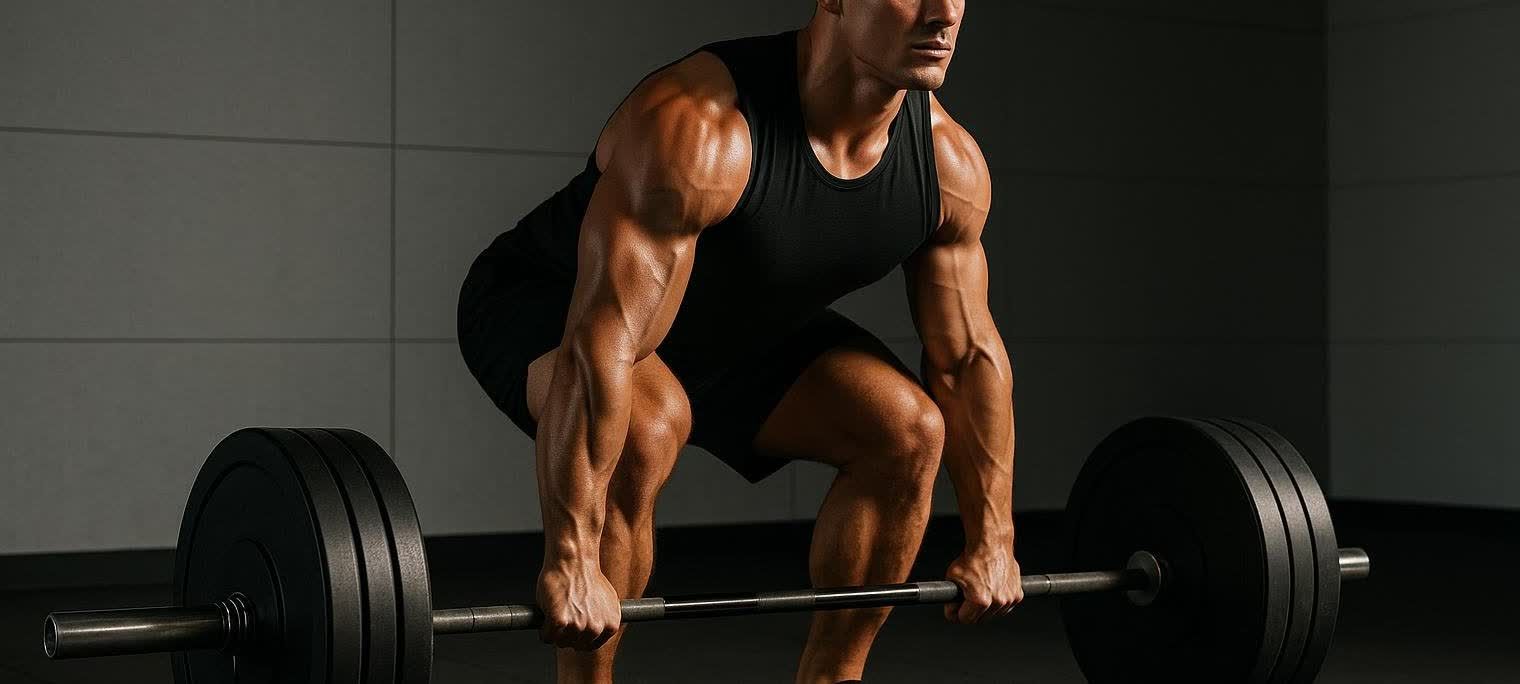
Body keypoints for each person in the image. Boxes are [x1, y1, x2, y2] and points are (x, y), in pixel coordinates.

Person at [457, 2, 1018, 682]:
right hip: (550, 301)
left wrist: (994, 539)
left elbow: (966, 359)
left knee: (908, 432)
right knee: (645, 427)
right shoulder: (699, 126)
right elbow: (604, 342)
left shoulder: (948, 167)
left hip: (736, 325)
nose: (943, 13)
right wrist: (570, 558)